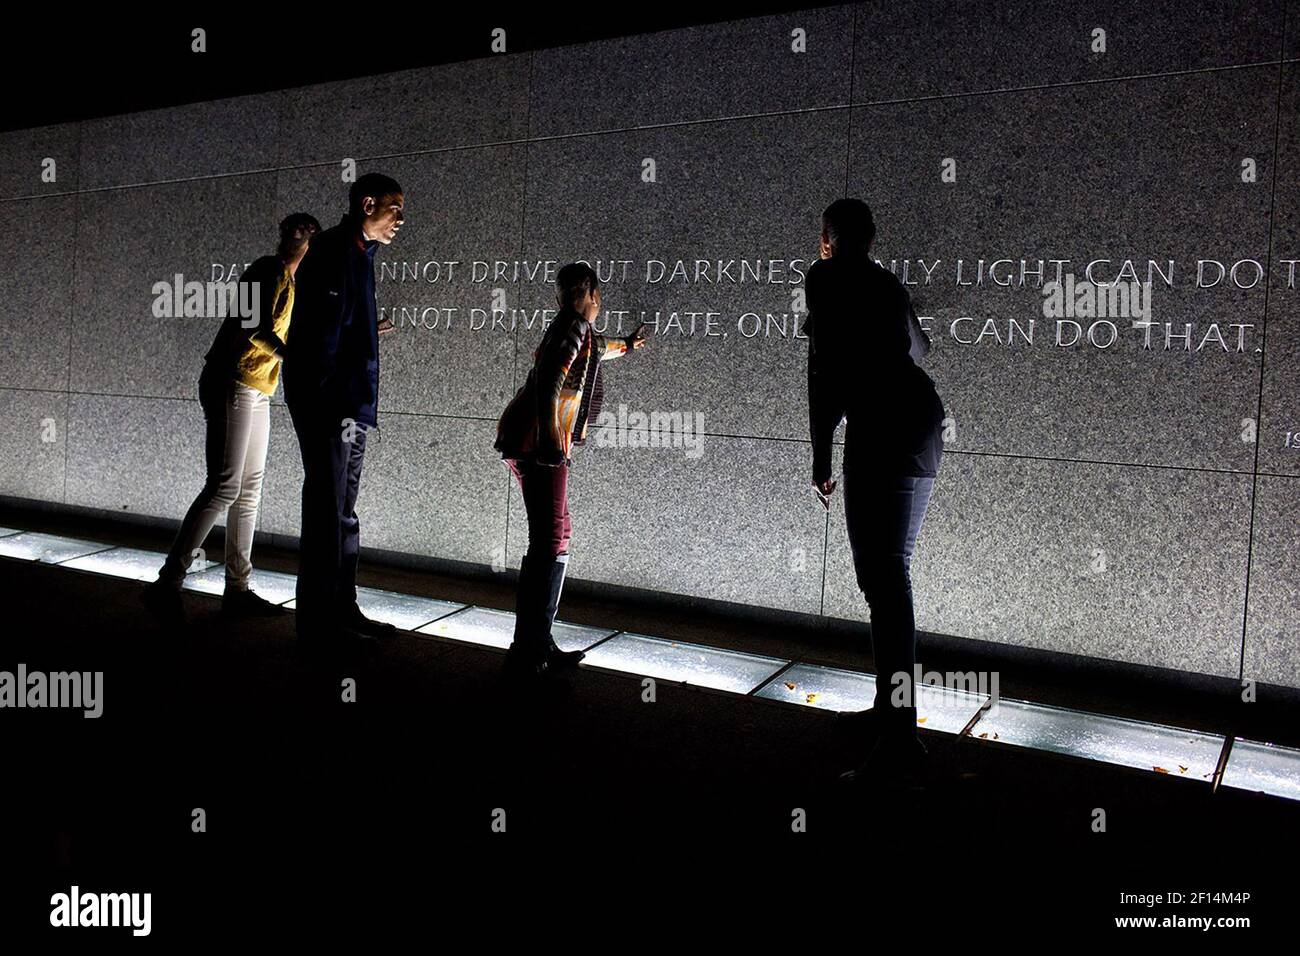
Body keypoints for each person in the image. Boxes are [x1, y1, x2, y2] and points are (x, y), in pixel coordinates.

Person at [804, 198, 946, 784]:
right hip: (918, 422)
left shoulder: (824, 277)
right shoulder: (887, 284)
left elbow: (823, 371)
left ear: (829, 238)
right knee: (892, 578)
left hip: (880, 429)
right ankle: (893, 717)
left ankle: (900, 737)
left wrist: (819, 455)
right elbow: (922, 350)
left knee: (884, 583)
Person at [142, 213, 321, 623]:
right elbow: (253, 328)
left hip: (257, 387)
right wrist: (296, 360)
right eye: (305, 239)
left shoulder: (291, 282)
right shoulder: (266, 270)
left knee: (248, 490)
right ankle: (168, 582)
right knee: (224, 485)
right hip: (232, 381)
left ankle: (238, 589)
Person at [494, 263, 647, 676]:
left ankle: (537, 641)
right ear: (593, 294)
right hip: (539, 443)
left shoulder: (577, 329)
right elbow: (548, 379)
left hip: (536, 441)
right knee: (548, 539)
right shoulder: (573, 327)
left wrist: (629, 345)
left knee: (556, 535)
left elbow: (597, 351)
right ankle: (529, 650)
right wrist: (549, 440)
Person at [282, 173, 404, 644]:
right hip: (332, 407)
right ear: (367, 203)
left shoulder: (360, 256)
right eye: (394, 207)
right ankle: (319, 623)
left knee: (343, 513)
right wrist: (326, 402)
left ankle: (342, 608)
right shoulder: (333, 251)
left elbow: (342, 328)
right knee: (326, 513)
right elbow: (317, 341)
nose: (400, 219)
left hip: (351, 408)